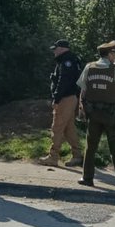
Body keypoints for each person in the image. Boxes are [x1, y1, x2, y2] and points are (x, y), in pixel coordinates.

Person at [77, 41, 115, 188]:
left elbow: (83, 89)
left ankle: (87, 178)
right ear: (110, 54)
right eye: (114, 54)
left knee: (90, 146)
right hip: (110, 115)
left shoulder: (89, 67)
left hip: (93, 114)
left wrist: (82, 108)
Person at [38, 39, 84, 168]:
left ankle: (53, 157)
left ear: (62, 48)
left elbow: (63, 81)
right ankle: (77, 155)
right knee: (69, 128)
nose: (54, 51)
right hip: (70, 97)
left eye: (55, 48)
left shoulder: (66, 61)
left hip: (65, 98)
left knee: (57, 127)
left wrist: (56, 98)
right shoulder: (69, 60)